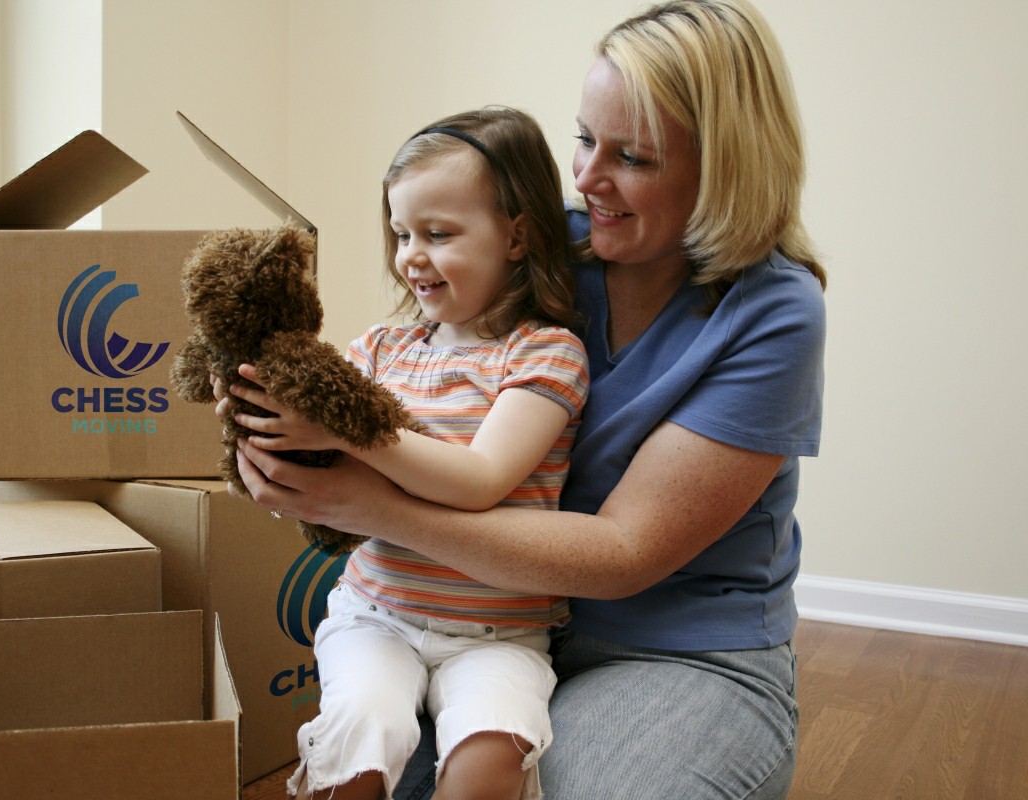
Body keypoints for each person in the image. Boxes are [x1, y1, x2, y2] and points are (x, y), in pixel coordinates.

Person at [229, 0, 827, 796]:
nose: (584, 179)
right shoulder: (540, 249)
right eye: (583, 139)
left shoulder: (773, 311)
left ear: (724, 166)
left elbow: (624, 556)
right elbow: (409, 364)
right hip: (490, 617)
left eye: (634, 158)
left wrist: (367, 503)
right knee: (361, 762)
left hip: (672, 647)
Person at [221, 106, 589, 800]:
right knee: (357, 740)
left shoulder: (544, 353)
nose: (410, 256)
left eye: (438, 234)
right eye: (400, 233)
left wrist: (348, 430)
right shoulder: (382, 350)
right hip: (377, 612)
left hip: (498, 633)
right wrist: (260, 420)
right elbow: (320, 463)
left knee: (490, 761)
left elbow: (482, 478)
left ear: (516, 236)